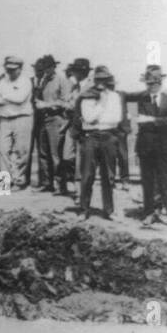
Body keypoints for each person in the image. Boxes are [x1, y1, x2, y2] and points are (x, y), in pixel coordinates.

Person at [131, 65, 167, 232]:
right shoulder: (143, 99)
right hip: (145, 145)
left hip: (164, 146)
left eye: (155, 82)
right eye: (149, 83)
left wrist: (152, 120)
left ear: (160, 82)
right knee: (147, 181)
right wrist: (150, 121)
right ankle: (149, 212)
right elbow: (138, 120)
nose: (152, 86)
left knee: (165, 180)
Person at [77, 66, 123, 221]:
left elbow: (116, 119)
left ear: (108, 80)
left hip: (108, 136)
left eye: (104, 80)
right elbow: (88, 118)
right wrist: (102, 104)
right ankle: (84, 209)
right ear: (94, 81)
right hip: (91, 137)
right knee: (87, 174)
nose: (101, 83)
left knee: (109, 175)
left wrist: (99, 116)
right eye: (98, 80)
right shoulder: (87, 96)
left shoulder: (115, 97)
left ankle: (109, 210)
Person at [0, 56, 33, 192]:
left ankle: (19, 180)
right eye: (8, 69)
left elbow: (20, 98)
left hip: (23, 118)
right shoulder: (2, 82)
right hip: (4, 118)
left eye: (13, 69)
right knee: (2, 150)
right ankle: (4, 184)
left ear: (20, 69)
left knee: (22, 150)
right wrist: (9, 97)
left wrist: (5, 96)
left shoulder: (25, 81)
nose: (10, 72)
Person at [30, 55, 65, 193]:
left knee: (55, 154)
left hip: (55, 118)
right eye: (44, 68)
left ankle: (60, 185)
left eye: (48, 68)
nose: (45, 70)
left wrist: (47, 104)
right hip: (42, 120)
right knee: (43, 153)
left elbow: (66, 102)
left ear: (53, 67)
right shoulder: (43, 80)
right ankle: (46, 183)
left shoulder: (61, 80)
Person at [57, 57, 91, 197]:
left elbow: (80, 106)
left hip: (85, 128)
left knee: (80, 161)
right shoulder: (75, 87)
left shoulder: (90, 87)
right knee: (67, 156)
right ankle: (76, 186)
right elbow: (70, 104)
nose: (74, 74)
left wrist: (68, 105)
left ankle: (80, 192)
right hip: (72, 126)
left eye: (76, 71)